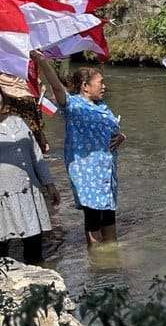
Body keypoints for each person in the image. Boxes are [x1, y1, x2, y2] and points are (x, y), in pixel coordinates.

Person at [33, 54, 123, 245]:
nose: (104, 86)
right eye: (100, 83)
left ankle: (111, 258)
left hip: (106, 172)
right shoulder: (73, 105)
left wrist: (122, 137)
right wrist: (42, 61)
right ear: (85, 86)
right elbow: (56, 86)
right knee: (93, 218)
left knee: (108, 214)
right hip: (87, 173)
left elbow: (114, 130)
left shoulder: (102, 106)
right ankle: (98, 262)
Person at [0, 82, 57, 264]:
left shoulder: (17, 121)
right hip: (3, 197)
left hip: (29, 191)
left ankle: (38, 287)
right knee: (2, 253)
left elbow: (36, 155)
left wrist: (49, 184)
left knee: (34, 248)